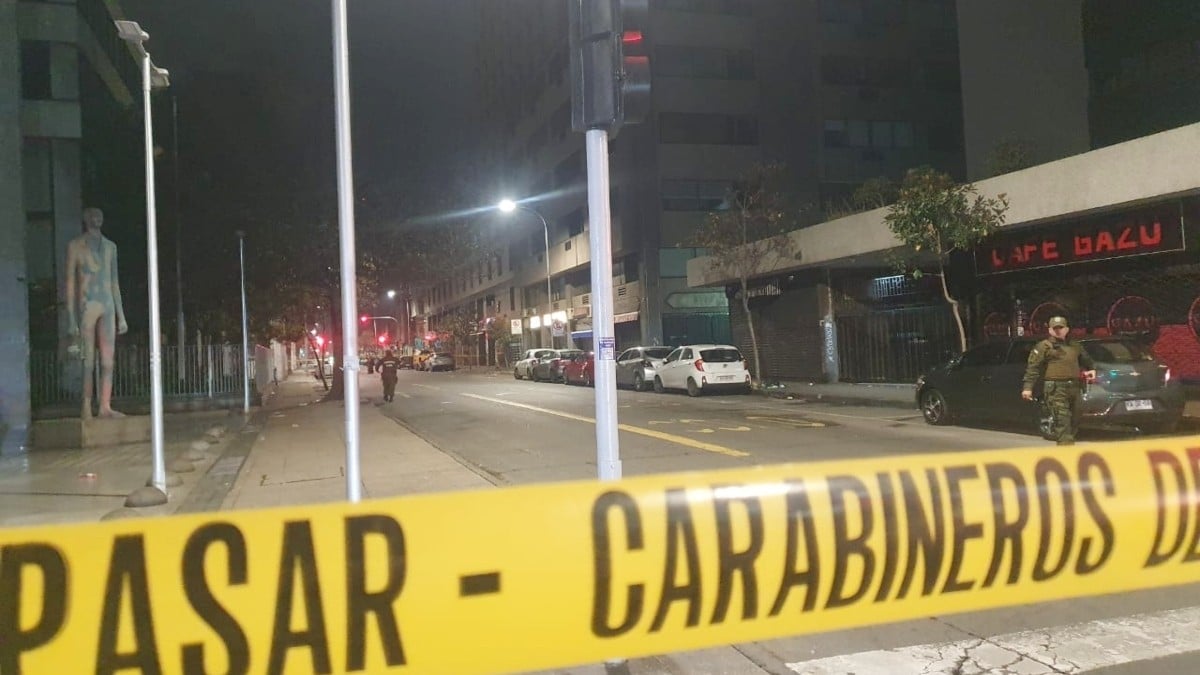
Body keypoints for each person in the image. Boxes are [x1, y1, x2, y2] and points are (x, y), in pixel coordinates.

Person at [65, 207, 128, 419]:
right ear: (85, 219)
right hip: (87, 304)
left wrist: (121, 315)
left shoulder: (111, 247)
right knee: (88, 360)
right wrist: (71, 319)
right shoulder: (75, 246)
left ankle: (105, 405)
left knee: (108, 360)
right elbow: (70, 284)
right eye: (92, 214)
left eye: (100, 214)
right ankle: (86, 406)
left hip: (107, 304)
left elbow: (114, 282)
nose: (97, 217)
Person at [1021, 316, 1096, 445]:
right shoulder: (1044, 347)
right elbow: (1033, 368)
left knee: (1075, 418)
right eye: (1055, 328)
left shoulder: (1074, 346)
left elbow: (1087, 361)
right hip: (1056, 388)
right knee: (1062, 420)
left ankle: (1067, 442)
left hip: (1074, 387)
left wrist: (1091, 370)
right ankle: (1066, 450)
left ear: (1066, 329)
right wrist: (1028, 388)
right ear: (1050, 330)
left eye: (1061, 328)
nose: (1058, 331)